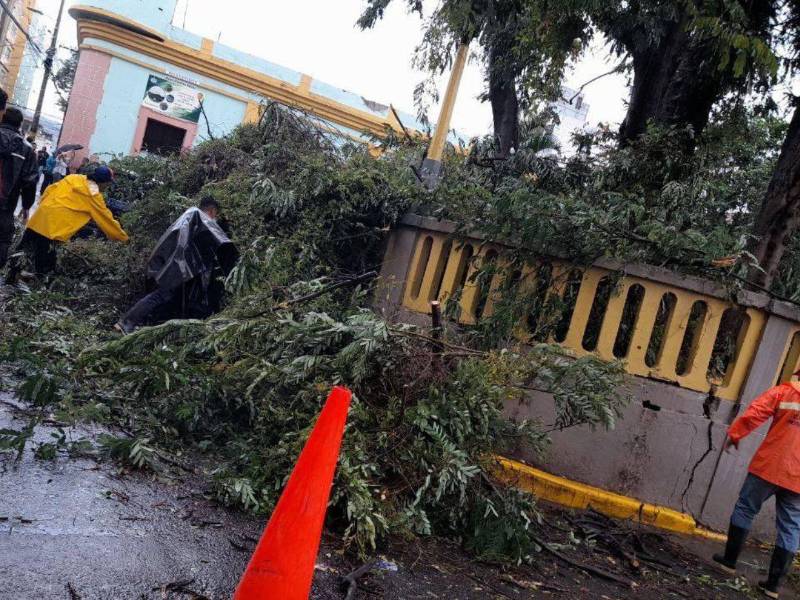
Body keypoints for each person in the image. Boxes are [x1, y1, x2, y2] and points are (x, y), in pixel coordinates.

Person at [712, 380, 800, 598]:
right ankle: (773, 586)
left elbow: (756, 411)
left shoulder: (785, 392)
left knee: (746, 508)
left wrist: (736, 434)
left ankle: (729, 562)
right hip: (797, 479)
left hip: (768, 466)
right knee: (791, 527)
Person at [115, 197, 237, 334]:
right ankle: (125, 323)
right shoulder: (197, 216)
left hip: (177, 266)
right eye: (215, 214)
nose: (215, 218)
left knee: (166, 296)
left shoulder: (192, 217)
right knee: (161, 295)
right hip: (177, 267)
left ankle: (133, 323)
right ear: (212, 211)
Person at [8, 165, 128, 278]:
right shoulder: (94, 195)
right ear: (103, 182)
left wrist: (43, 205)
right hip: (54, 228)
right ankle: (40, 285)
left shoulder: (74, 178)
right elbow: (107, 220)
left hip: (40, 217)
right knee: (46, 263)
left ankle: (11, 276)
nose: (107, 187)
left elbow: (50, 189)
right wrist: (124, 239)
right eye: (108, 184)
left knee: (23, 249)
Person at [0, 104, 40, 269]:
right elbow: (30, 181)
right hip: (5, 206)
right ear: (20, 124)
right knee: (2, 240)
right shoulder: (26, 149)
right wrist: (26, 207)